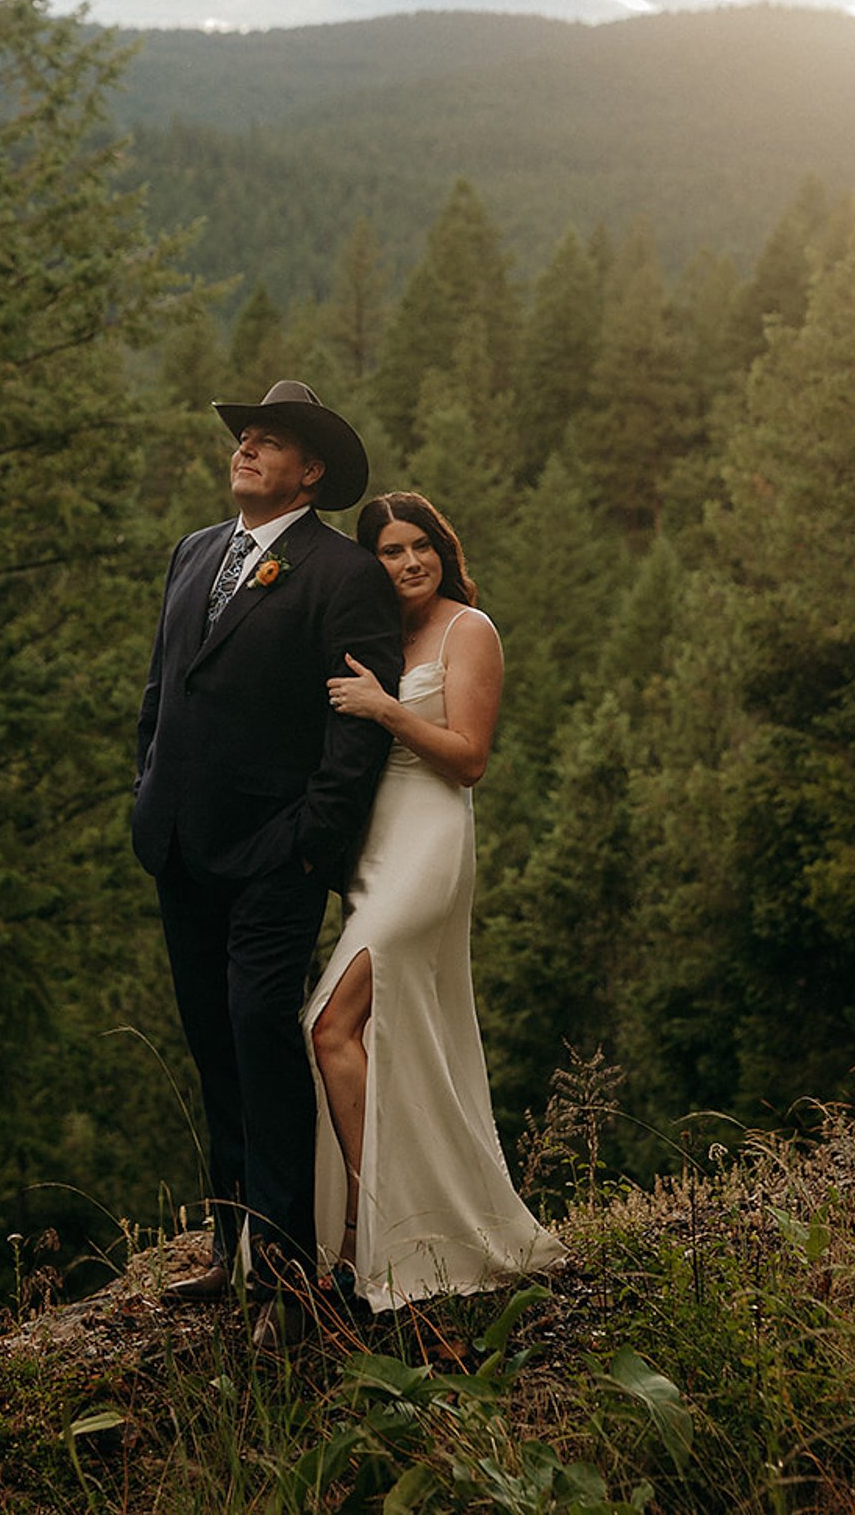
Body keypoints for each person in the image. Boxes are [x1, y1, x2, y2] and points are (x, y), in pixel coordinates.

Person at [132, 380, 404, 1336]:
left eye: (267, 441)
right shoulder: (194, 552)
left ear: (311, 471)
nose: (244, 449)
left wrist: (305, 848)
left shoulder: (340, 574)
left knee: (262, 1035)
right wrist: (147, 792)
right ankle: (227, 1248)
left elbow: (355, 736)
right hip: (179, 848)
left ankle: (287, 1273)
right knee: (214, 1044)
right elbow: (163, 691)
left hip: (271, 861)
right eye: (243, 437)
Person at [305, 489, 567, 1310]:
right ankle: (407, 1223)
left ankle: (362, 1232)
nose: (409, 562)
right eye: (390, 550)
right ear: (369, 560)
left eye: (420, 546)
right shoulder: (378, 632)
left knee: (327, 1025)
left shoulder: (466, 630)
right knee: (379, 1032)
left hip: (429, 839)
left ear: (441, 550)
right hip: (371, 847)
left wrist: (384, 708)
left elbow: (469, 759)